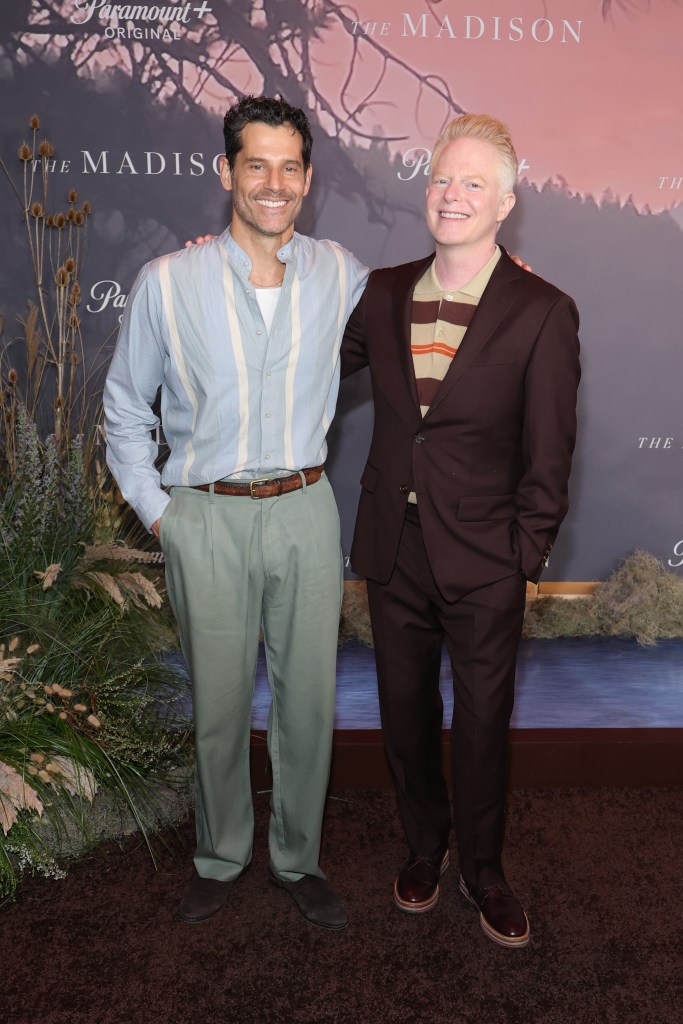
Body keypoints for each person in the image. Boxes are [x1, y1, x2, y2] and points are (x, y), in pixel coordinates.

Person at [103, 96, 368, 929]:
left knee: (305, 703)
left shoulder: (342, 273)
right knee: (217, 703)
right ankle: (219, 858)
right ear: (226, 172)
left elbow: (430, 307)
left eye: (290, 166)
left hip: (304, 510)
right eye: (256, 163)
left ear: (308, 178)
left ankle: (297, 860)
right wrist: (160, 513)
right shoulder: (168, 282)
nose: (273, 182)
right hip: (204, 517)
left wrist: (503, 277)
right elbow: (122, 407)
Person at [341, 114, 581, 948]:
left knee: (481, 724)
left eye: (473, 182)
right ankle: (424, 847)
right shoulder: (378, 291)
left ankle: (483, 870)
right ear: (427, 188)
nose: (453, 194)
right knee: (402, 714)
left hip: (484, 558)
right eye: (443, 178)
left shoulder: (543, 310)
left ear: (505, 202)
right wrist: (245, 271)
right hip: (393, 547)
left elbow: (550, 452)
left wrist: (523, 554)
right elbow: (299, 355)